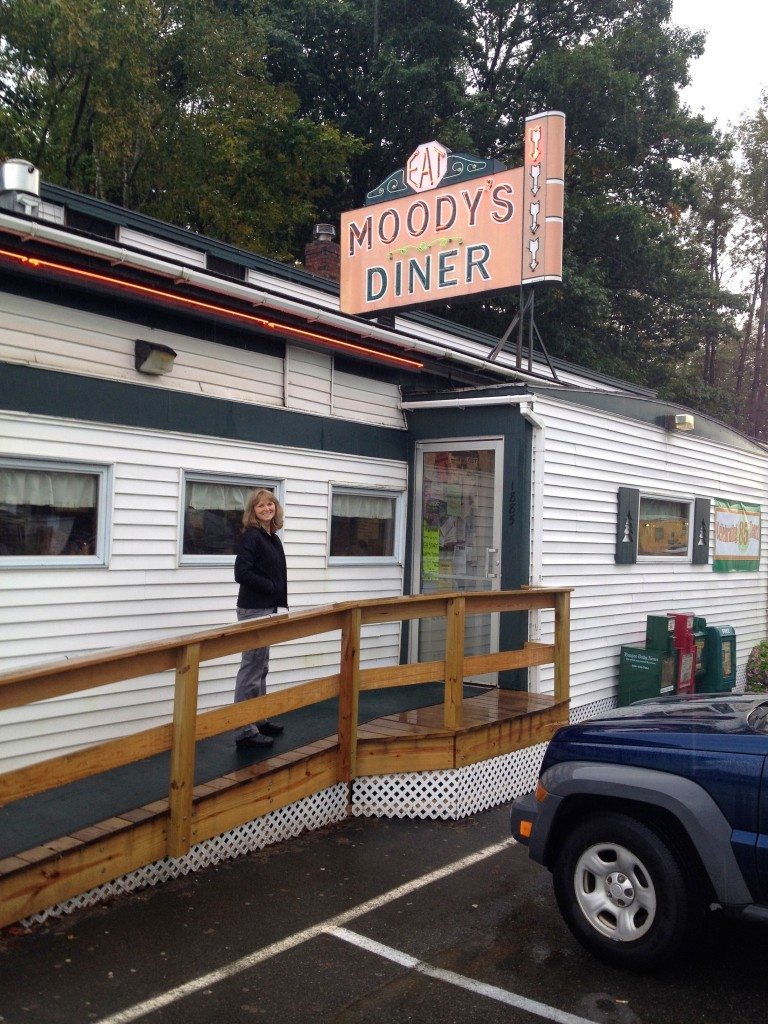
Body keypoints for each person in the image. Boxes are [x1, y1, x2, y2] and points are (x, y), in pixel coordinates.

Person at [232, 488, 288, 749]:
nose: (266, 509)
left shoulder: (272, 538)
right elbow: (241, 573)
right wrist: (268, 587)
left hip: (268, 608)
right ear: (252, 512)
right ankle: (244, 729)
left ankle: (259, 717)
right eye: (260, 506)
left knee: (262, 666)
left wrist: (279, 601)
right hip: (253, 609)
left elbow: (279, 576)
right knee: (251, 667)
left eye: (270, 504)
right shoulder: (251, 537)